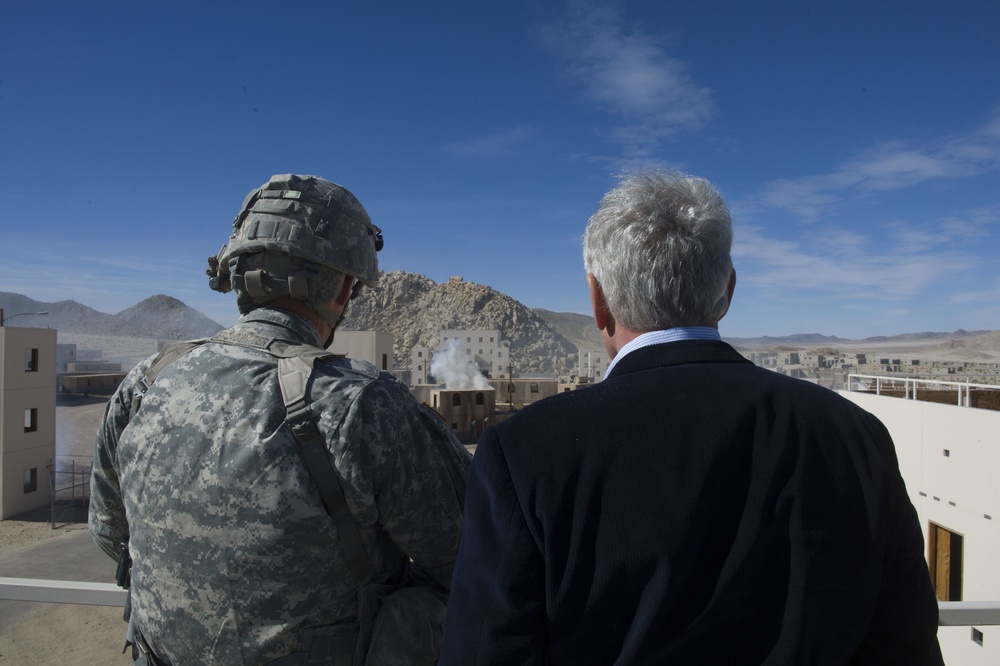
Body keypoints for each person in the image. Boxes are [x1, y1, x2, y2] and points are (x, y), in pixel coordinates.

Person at [439, 171, 943, 665]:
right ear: (727, 291)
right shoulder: (854, 436)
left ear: (598, 300)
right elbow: (904, 642)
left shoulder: (525, 454)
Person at [90, 174, 471, 666]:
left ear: (237, 274)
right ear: (345, 286)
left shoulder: (146, 383)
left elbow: (109, 532)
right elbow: (471, 554)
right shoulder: (362, 403)